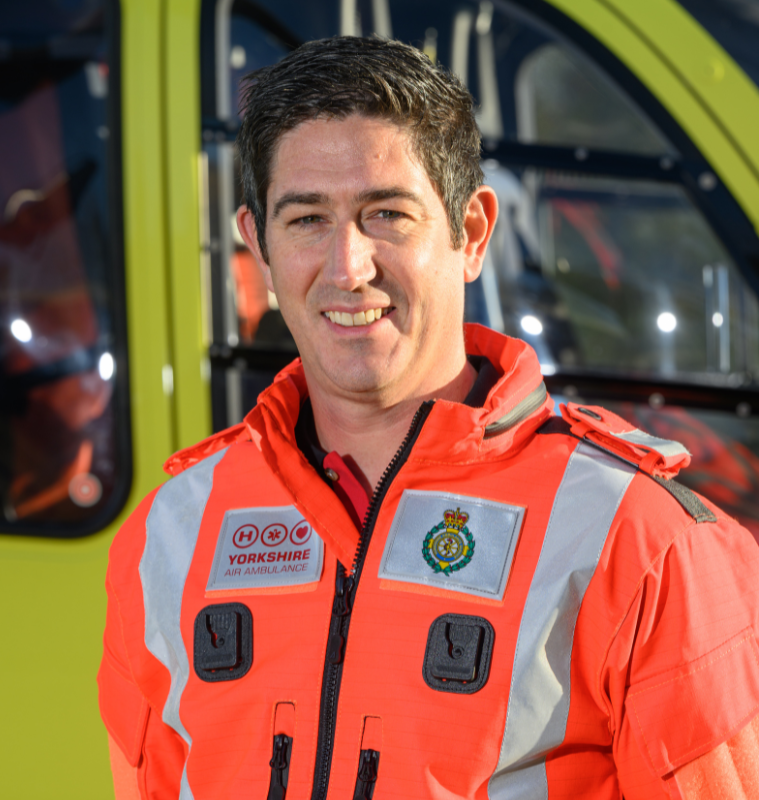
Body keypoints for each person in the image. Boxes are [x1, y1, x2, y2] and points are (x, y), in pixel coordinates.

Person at [98, 36, 759, 800]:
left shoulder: (643, 542)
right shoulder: (167, 535)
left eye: (386, 214)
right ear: (258, 246)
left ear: (472, 232)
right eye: (307, 219)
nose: (348, 267)